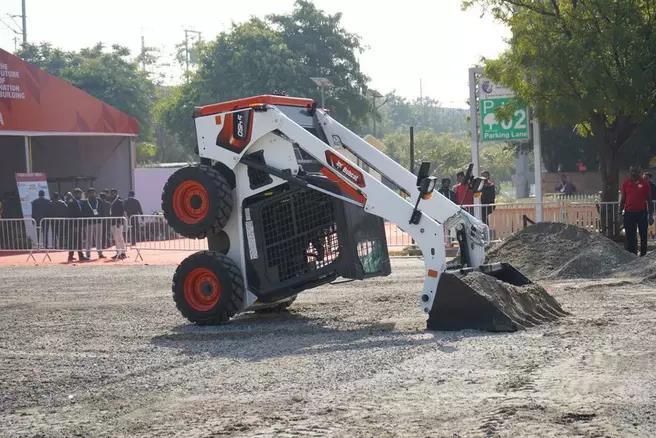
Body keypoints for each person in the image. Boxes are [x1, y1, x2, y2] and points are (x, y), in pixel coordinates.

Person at [619, 166, 653, 256]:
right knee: (630, 236)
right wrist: (619, 213)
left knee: (643, 235)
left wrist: (650, 215)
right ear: (630, 172)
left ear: (639, 172)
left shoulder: (645, 183)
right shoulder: (626, 183)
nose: (634, 173)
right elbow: (623, 200)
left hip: (642, 213)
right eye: (632, 171)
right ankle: (632, 255)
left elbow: (649, 200)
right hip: (629, 213)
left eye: (636, 171)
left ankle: (643, 255)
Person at [81, 188, 108, 259]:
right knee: (88, 239)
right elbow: (83, 212)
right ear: (88, 194)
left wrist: (102, 218)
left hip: (98, 222)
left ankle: (100, 253)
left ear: (95, 193)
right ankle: (88, 254)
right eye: (90, 193)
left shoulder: (99, 201)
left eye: (93, 192)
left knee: (98, 238)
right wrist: (84, 222)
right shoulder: (85, 202)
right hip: (89, 223)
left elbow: (102, 210)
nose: (92, 194)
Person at [67, 188, 89, 262]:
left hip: (78, 224)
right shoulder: (72, 202)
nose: (80, 195)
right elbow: (70, 214)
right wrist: (74, 225)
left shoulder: (79, 202)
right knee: (74, 241)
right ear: (76, 194)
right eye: (79, 194)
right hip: (74, 224)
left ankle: (76, 256)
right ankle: (74, 256)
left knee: (77, 241)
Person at [107, 189, 127, 260]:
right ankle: (118, 252)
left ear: (116, 193)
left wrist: (119, 222)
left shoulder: (119, 201)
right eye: (111, 193)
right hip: (113, 222)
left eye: (113, 193)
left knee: (120, 237)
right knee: (116, 238)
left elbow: (121, 212)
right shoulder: (111, 201)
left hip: (118, 222)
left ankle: (123, 253)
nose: (112, 194)